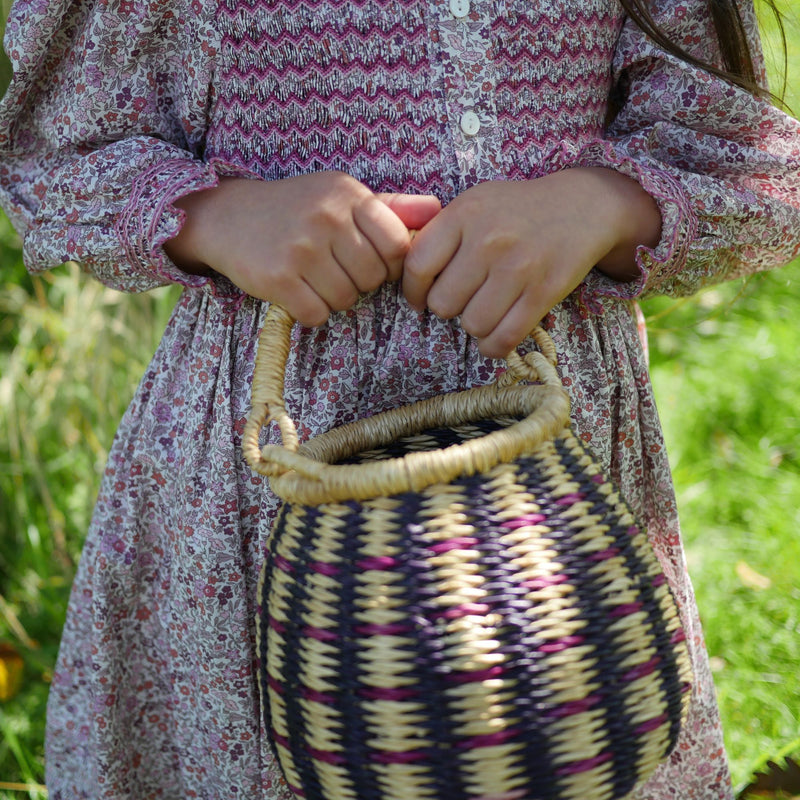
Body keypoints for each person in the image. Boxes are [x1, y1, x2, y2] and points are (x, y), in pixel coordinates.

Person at [0, 0, 799, 797]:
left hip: (552, 465)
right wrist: (217, 216)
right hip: (269, 465)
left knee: (563, 751)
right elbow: (56, 154)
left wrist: (602, 204)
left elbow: (739, 157)